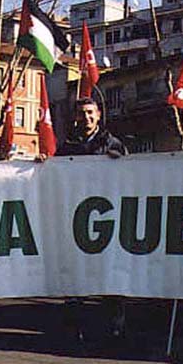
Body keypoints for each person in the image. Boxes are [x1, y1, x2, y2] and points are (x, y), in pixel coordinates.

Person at [53, 98, 128, 344]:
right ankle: (73, 329)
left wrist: (120, 162)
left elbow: (130, 175)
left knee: (109, 273)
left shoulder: (112, 143)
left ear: (98, 115)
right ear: (75, 117)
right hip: (76, 217)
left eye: (90, 113)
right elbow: (54, 174)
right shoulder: (67, 146)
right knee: (75, 275)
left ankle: (114, 328)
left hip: (105, 217)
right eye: (81, 113)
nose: (86, 117)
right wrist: (44, 163)